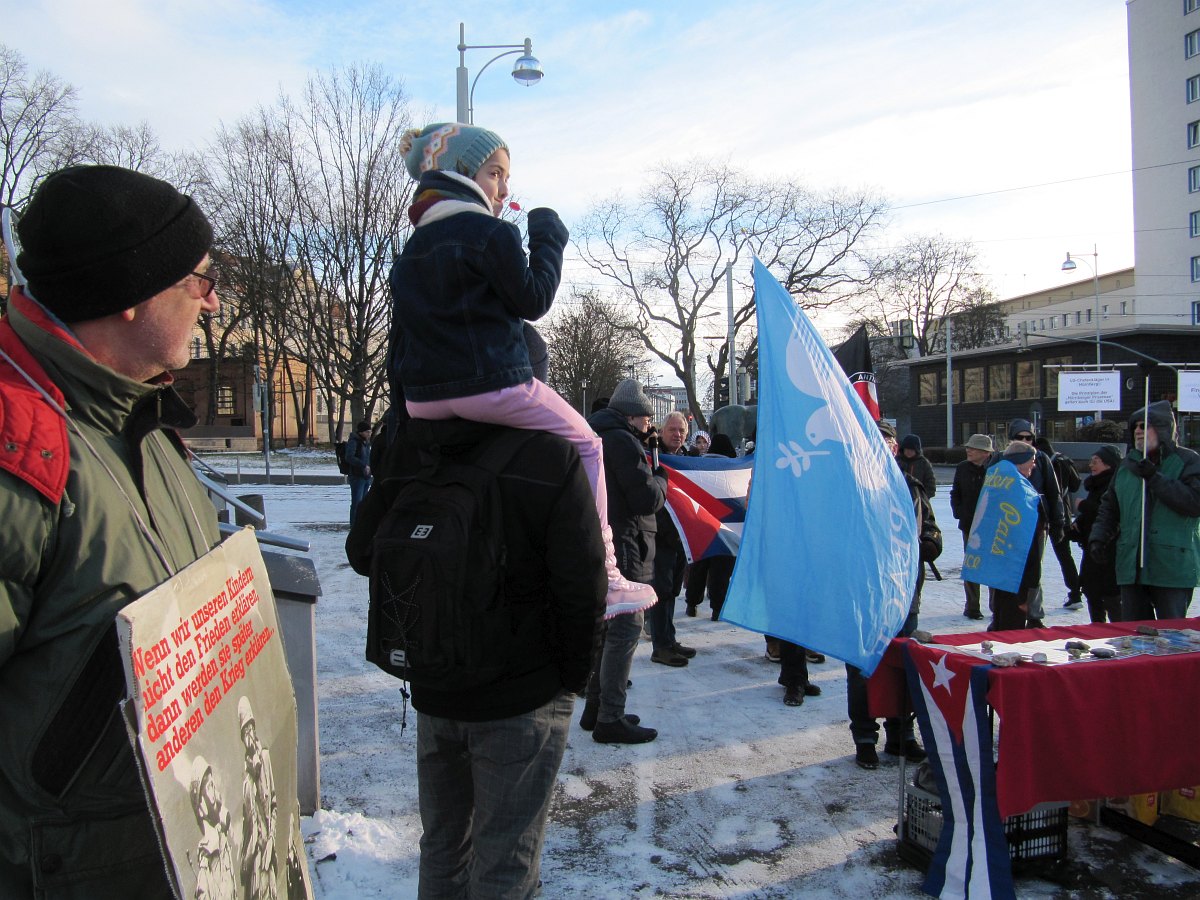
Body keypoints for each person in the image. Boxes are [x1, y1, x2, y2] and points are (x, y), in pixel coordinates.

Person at [0, 165, 223, 896]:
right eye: (200, 277)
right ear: (132, 296)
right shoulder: (17, 449)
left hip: (168, 848)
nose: (212, 300)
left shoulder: (146, 424)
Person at [386, 122, 655, 617]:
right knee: (587, 444)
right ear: (463, 173)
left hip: (423, 396)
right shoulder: (490, 233)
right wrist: (548, 237)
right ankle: (610, 576)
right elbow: (532, 299)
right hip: (493, 384)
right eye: (496, 173)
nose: (504, 188)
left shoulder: (412, 250)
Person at [346, 415, 605, 899]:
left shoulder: (417, 448)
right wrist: (574, 676)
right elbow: (582, 582)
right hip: (521, 697)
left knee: (443, 848)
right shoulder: (548, 454)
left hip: (434, 684)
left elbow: (362, 552)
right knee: (505, 862)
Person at [582, 379, 667, 744]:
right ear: (633, 416)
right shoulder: (621, 440)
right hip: (626, 544)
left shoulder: (598, 433)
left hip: (608, 541)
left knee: (608, 629)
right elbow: (645, 497)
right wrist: (661, 480)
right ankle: (610, 718)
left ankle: (595, 710)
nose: (649, 426)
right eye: (647, 419)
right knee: (626, 629)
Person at [848, 420, 935, 770]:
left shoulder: (911, 487)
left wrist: (931, 542)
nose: (881, 448)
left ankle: (902, 735)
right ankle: (865, 738)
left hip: (904, 594)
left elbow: (928, 526)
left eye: (886, 442)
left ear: (895, 448)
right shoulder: (852, 490)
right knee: (863, 669)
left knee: (904, 668)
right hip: (865, 595)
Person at [1091, 402, 1200, 621]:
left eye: (1145, 425)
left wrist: (1155, 478)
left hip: (1171, 567)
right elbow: (1109, 508)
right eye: (1135, 427)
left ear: (1162, 428)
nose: (1138, 430)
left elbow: (1194, 503)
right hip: (1131, 566)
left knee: (1171, 637)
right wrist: (1098, 537)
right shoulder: (1126, 466)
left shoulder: (1188, 461)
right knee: (1134, 635)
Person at [647, 411, 697, 667]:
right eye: (673, 430)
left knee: (673, 590)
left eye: (682, 432)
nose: (677, 435)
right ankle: (661, 645)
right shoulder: (653, 458)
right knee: (662, 590)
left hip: (680, 539)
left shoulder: (687, 460)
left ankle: (669, 638)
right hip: (660, 536)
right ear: (662, 431)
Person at [1006, 420, 1066, 626]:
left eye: (1028, 438)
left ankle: (1034, 613)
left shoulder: (1041, 459)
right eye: (1019, 438)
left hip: (1037, 524)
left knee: (1034, 570)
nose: (1025, 441)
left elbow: (1053, 492)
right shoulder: (1001, 460)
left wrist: (1058, 522)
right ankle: (1005, 609)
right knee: (1008, 570)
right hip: (1009, 525)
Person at [989, 441, 1049, 632]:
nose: (1034, 465)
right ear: (1020, 461)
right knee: (1011, 627)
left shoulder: (999, 482)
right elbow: (1025, 539)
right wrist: (1031, 582)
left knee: (1002, 618)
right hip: (1016, 569)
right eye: (1031, 460)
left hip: (1000, 567)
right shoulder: (1020, 490)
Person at [684, 433, 738, 620]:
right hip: (726, 526)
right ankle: (717, 608)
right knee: (721, 570)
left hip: (702, 524)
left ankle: (692, 603)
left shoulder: (698, 466)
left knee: (700, 565)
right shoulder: (733, 468)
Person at [1072, 445, 1123, 623]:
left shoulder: (1115, 484)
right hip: (1090, 550)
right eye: (1091, 461)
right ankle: (1097, 631)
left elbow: (1110, 514)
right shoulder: (1094, 485)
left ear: (1109, 464)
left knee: (1112, 598)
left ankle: (1120, 634)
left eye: (1096, 461)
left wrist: (1083, 506)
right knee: (1093, 595)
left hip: (1109, 551)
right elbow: (1091, 517)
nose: (1092, 465)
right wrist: (1077, 525)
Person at [1034, 436, 1083, 610]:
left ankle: (1029, 599)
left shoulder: (1038, 461)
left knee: (1034, 558)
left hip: (1042, 515)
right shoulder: (1064, 460)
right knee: (1065, 556)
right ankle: (1075, 593)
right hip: (1063, 513)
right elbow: (1076, 485)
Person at [950, 434, 995, 620]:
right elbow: (956, 493)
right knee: (972, 565)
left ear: (985, 452)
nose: (968, 450)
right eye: (968, 447)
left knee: (993, 566)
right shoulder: (962, 468)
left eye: (973, 448)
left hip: (992, 526)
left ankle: (996, 605)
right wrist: (959, 512)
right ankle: (972, 606)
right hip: (969, 525)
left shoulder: (996, 469)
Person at [238, 697, 279, 900]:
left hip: (268, 853)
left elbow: (273, 803)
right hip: (256, 857)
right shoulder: (245, 778)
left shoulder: (264, 759)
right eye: (244, 733)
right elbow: (248, 823)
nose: (249, 737)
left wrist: (271, 838)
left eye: (250, 730)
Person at [189, 756, 238, 900]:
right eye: (210, 786)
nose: (215, 791)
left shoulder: (221, 840)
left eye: (213, 784)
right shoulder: (207, 859)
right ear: (201, 807)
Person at [345, 419, 373, 525]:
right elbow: (349, 457)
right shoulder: (354, 441)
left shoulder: (366, 442)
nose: (369, 434)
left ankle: (361, 523)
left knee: (364, 503)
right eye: (367, 432)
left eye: (370, 432)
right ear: (361, 432)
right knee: (356, 502)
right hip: (357, 475)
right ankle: (354, 524)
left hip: (366, 476)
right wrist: (363, 465)